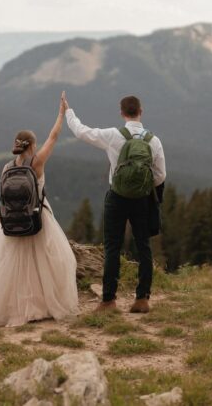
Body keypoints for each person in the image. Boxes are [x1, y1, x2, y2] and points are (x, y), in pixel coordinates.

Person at [0, 93, 79, 327]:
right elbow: (54, 136)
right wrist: (62, 112)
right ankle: (41, 306)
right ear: (32, 146)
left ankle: (16, 309)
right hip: (39, 218)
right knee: (46, 264)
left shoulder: (7, 168)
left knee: (14, 268)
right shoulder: (36, 162)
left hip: (13, 221)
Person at [63, 93, 166, 313]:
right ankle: (142, 299)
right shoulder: (153, 141)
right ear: (141, 112)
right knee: (143, 246)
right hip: (141, 200)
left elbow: (82, 132)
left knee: (112, 247)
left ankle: (108, 300)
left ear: (122, 113)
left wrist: (68, 112)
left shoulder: (112, 135)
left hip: (117, 198)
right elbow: (160, 176)